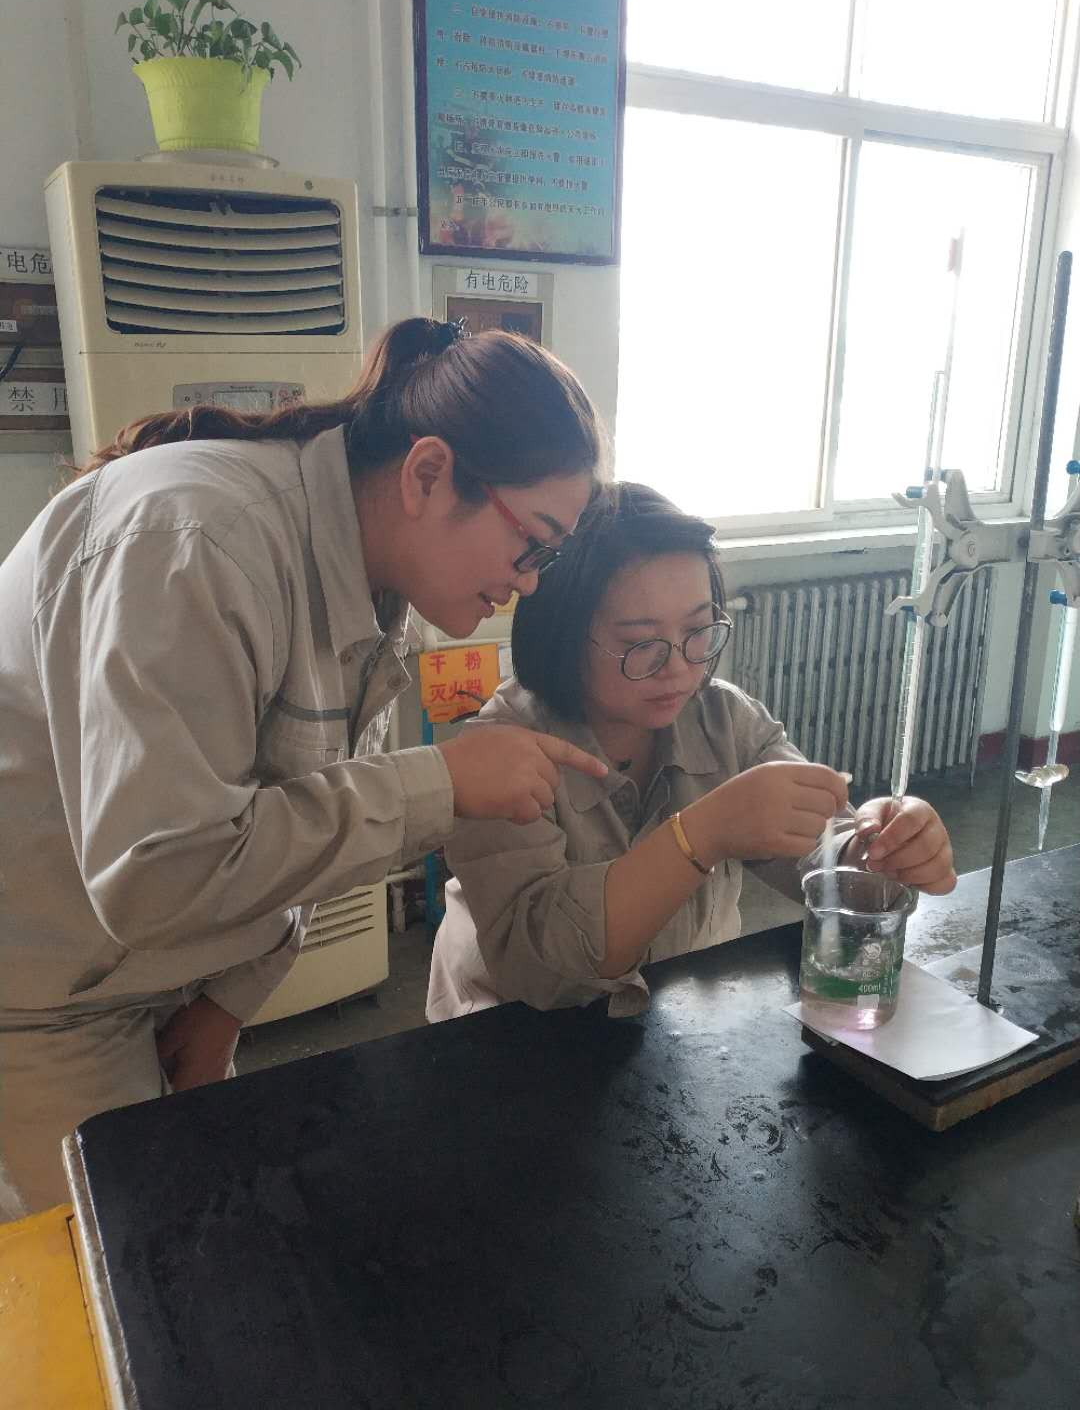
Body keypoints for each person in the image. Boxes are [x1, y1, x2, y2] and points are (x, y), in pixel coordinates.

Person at [0, 316, 610, 1217]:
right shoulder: (196, 539)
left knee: (199, 1226)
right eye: (534, 543)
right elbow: (156, 871)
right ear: (428, 474)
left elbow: (305, 816)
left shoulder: (373, 585)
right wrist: (442, 782)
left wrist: (227, 1003)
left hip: (152, 975)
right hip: (37, 993)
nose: (530, 582)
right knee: (105, 1267)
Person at [427, 481, 957, 1022]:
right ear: (562, 634)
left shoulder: (726, 720)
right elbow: (540, 972)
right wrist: (700, 835)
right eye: (640, 643)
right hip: (508, 1035)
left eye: (700, 630)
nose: (680, 667)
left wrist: (881, 851)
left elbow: (826, 858)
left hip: (680, 1020)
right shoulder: (499, 754)